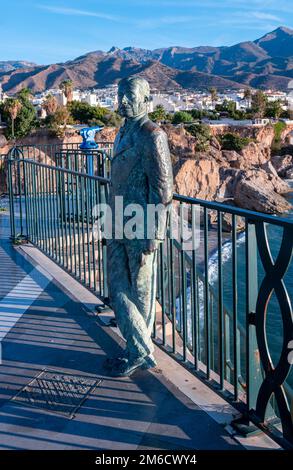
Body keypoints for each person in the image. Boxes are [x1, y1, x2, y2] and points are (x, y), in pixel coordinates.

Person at [105, 76, 173, 377]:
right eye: (121, 96)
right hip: (118, 219)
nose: (123, 102)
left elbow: (163, 190)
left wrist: (154, 236)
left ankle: (138, 350)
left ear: (147, 100)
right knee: (118, 284)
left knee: (141, 292)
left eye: (129, 96)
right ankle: (140, 347)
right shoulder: (124, 132)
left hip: (141, 226)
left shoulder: (152, 135)